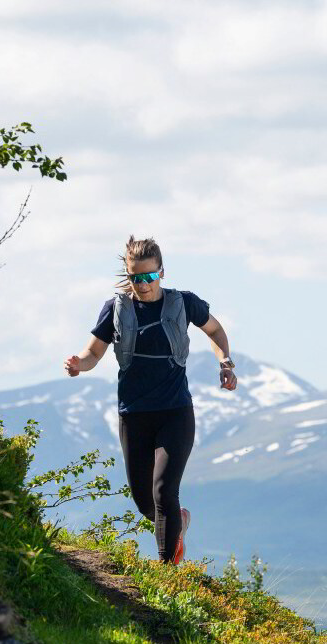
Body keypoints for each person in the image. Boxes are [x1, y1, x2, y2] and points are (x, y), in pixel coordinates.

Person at [63, 236, 236, 564]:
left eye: (148, 277)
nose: (142, 284)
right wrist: (78, 365)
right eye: (135, 277)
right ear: (127, 275)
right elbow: (93, 352)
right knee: (145, 502)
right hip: (134, 414)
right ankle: (178, 523)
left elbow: (214, 331)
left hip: (175, 412)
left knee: (163, 492)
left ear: (161, 273)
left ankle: (168, 571)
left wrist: (225, 361)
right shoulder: (116, 309)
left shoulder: (183, 303)